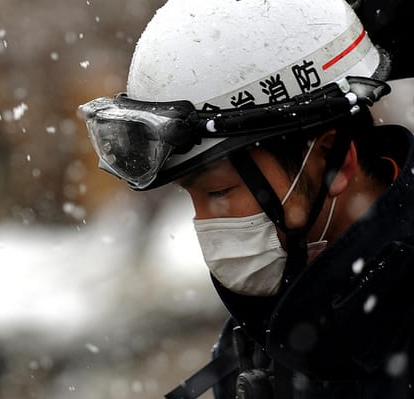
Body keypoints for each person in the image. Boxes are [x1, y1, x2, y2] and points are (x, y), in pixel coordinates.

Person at [80, 0, 414, 398]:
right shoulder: (275, 329)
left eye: (220, 191)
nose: (206, 224)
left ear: (331, 161)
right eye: (193, 197)